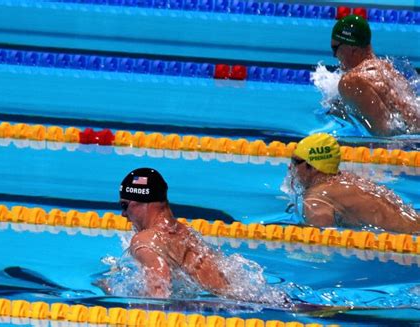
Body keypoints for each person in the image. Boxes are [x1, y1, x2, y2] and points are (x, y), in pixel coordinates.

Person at [113, 168, 291, 307]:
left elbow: (159, 297)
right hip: (251, 299)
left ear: (140, 202)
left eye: (124, 205)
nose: (123, 214)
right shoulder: (183, 232)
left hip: (230, 307)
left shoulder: (144, 240)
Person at [288, 133, 419, 233]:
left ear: (314, 166)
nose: (290, 168)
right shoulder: (348, 179)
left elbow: (321, 245)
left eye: (295, 162)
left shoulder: (317, 198)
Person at [331, 14, 419, 136]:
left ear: (352, 48)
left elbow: (385, 137)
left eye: (335, 48)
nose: (334, 55)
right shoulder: (388, 68)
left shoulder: (352, 81)